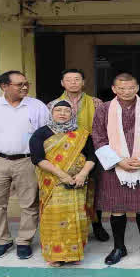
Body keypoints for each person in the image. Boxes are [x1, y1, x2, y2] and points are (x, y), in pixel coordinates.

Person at [91, 72, 140, 265]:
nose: (127, 91)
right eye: (122, 88)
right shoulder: (104, 109)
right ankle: (119, 247)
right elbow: (98, 137)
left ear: (137, 88)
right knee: (117, 210)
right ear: (114, 89)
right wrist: (118, 161)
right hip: (114, 167)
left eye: (131, 88)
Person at [0, 71, 49, 261]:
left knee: (29, 203)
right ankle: (2, 240)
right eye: (19, 84)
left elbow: (47, 135)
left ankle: (24, 241)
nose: (24, 87)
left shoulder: (37, 106)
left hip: (28, 160)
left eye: (26, 83)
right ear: (4, 86)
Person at [30, 101, 97, 266]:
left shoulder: (82, 133)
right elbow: (37, 158)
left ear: (72, 114)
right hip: (52, 182)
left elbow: (92, 157)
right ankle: (55, 255)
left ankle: (74, 254)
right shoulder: (41, 133)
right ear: (51, 113)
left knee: (76, 216)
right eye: (58, 110)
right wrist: (62, 175)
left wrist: (82, 174)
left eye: (66, 111)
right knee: (53, 216)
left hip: (79, 183)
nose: (62, 113)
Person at [55, 68, 109, 242]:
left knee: (95, 189)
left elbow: (104, 127)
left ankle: (97, 224)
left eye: (77, 79)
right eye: (69, 80)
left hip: (91, 152)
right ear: (62, 83)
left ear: (83, 82)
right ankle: (70, 226)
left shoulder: (96, 103)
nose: (73, 83)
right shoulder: (53, 104)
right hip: (62, 153)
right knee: (65, 189)